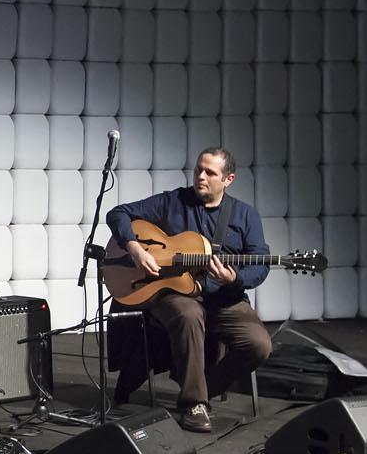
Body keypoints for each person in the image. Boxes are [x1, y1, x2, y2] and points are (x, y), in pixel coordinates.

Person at [105, 148, 272, 434]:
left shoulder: (245, 215)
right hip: (175, 295)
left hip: (224, 297)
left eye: (210, 173)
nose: (201, 177)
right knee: (189, 314)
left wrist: (234, 279)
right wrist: (133, 247)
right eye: (198, 170)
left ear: (228, 179)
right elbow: (118, 213)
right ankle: (194, 405)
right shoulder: (173, 202)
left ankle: (203, 387)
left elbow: (261, 264)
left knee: (259, 345)